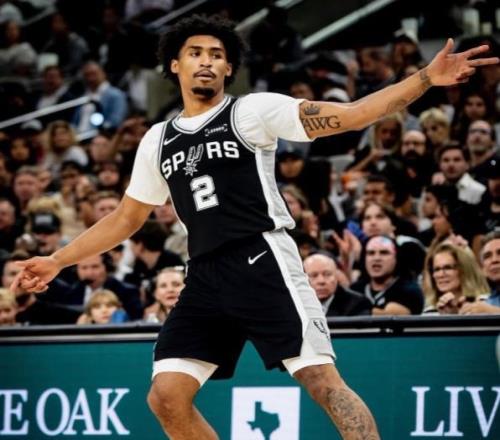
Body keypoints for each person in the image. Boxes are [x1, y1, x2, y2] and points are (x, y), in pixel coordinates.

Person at [11, 14, 498, 440]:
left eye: (216, 55)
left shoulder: (250, 111)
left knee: (322, 382)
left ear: (228, 68)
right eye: (195, 53)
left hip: (262, 258)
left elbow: (350, 117)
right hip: (204, 274)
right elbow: (126, 217)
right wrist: (57, 259)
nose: (206, 61)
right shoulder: (157, 139)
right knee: (165, 397)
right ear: (175, 65)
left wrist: (425, 79)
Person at [351, 235, 424, 315]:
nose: (376, 258)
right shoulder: (355, 289)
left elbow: (390, 316)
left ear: (396, 258)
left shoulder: (409, 290)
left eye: (384, 253)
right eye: (371, 253)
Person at [423, 242, 490, 314]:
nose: (441, 274)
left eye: (448, 268)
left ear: (464, 270)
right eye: (437, 269)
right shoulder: (429, 312)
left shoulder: (486, 304)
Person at [303, 253, 372, 317]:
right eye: (313, 275)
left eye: (327, 274)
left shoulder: (358, 304)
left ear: (337, 276)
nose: (321, 281)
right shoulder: (298, 304)